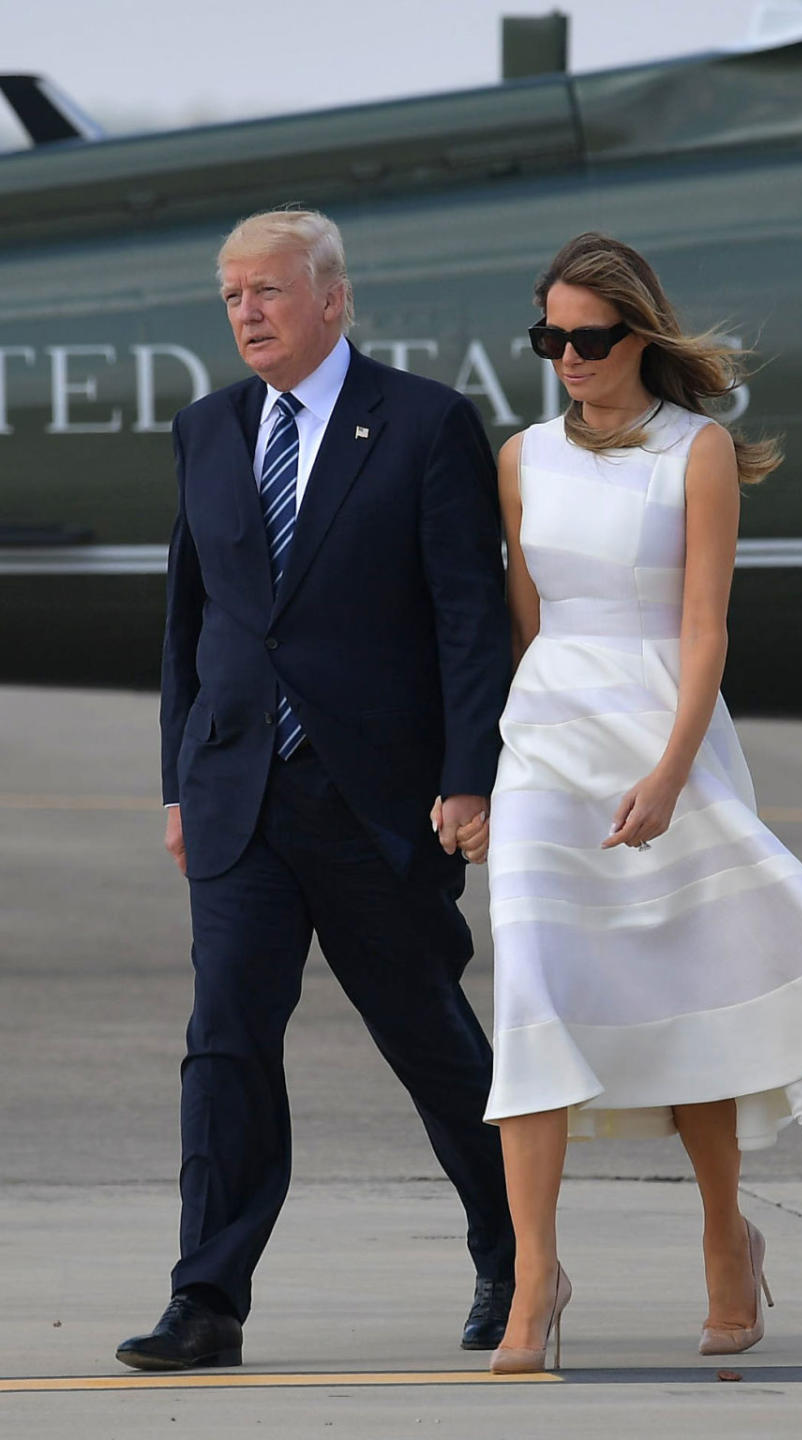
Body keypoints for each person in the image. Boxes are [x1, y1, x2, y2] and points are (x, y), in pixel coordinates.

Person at [470, 233, 802, 1374]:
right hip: (547, 745)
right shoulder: (521, 458)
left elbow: (707, 629)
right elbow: (524, 625)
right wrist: (490, 767)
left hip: (664, 737)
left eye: (589, 337)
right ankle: (534, 1279)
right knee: (531, 996)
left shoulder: (697, 452)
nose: (567, 356)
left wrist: (672, 774)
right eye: (550, 338)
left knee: (691, 998)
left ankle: (728, 1236)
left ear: (639, 334)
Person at [116, 208, 516, 1371]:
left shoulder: (426, 424)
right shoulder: (207, 430)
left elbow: (466, 620)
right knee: (225, 1042)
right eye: (233, 295)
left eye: (269, 292)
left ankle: (513, 1252)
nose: (247, 313)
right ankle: (208, 1300)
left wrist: (466, 777)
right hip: (239, 796)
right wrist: (177, 784)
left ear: (332, 298)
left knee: (430, 1040)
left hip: (382, 803)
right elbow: (189, 623)